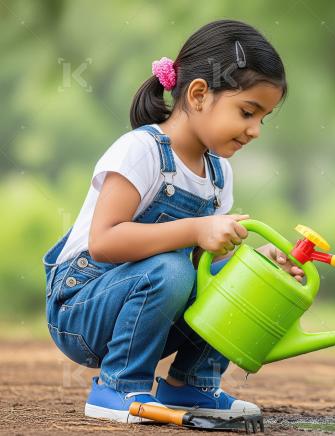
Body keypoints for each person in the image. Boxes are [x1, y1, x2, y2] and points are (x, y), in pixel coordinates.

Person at [42, 19, 304, 423]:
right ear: (199, 94)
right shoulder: (141, 151)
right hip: (82, 308)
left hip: (152, 309)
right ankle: (117, 387)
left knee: (240, 272)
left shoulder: (219, 175)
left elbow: (202, 267)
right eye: (247, 112)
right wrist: (196, 229)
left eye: (262, 118)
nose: (255, 130)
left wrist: (258, 263)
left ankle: (191, 384)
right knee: (170, 269)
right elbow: (104, 242)